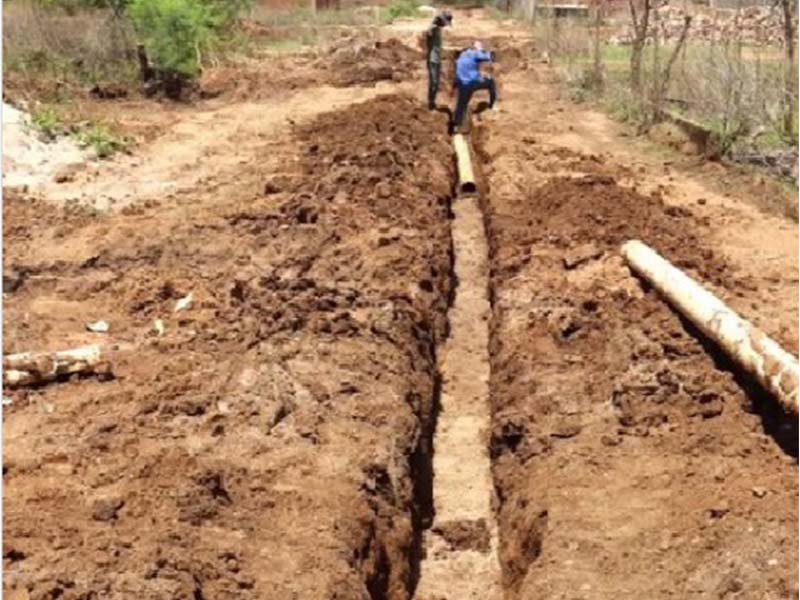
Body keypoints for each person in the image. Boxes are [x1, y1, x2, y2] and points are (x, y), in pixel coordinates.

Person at [452, 41, 497, 129]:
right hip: (472, 83)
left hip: (462, 84)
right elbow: (491, 56)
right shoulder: (475, 53)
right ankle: (492, 105)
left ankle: (456, 126)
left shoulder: (462, 54)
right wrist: (480, 49)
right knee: (491, 82)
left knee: (461, 104)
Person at [424, 10, 452, 110]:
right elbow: (427, 33)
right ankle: (430, 103)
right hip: (432, 60)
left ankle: (432, 102)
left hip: (437, 59)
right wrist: (433, 24)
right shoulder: (433, 29)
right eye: (444, 23)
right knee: (434, 82)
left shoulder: (438, 29)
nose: (445, 25)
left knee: (436, 83)